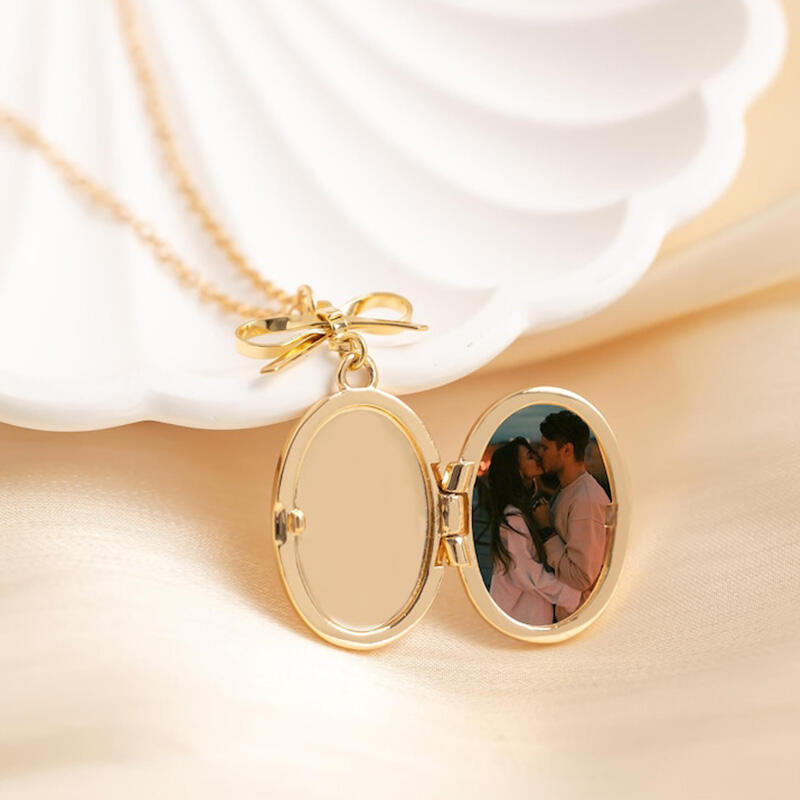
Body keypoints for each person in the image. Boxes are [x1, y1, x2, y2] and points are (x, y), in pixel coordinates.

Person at [486, 438, 581, 625]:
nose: (537, 458)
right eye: (530, 456)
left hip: (528, 614)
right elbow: (528, 575)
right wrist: (574, 594)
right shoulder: (513, 519)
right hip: (517, 618)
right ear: (518, 471)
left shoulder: (527, 510)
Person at [537, 410, 610, 618]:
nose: (540, 453)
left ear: (567, 450)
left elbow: (581, 577)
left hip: (578, 619)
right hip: (567, 614)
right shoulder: (568, 490)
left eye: (545, 448)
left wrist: (546, 531)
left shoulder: (585, 500)